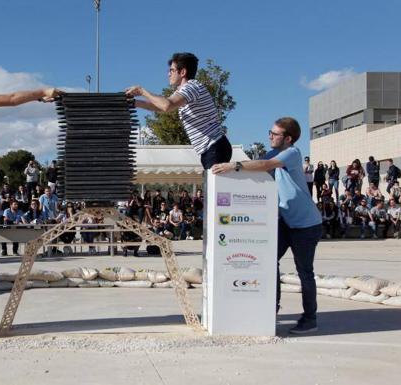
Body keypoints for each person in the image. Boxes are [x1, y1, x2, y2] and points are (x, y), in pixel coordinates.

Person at [211, 117, 322, 334]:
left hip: (306, 225)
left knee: (304, 272)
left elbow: (265, 165)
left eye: (275, 133)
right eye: (269, 132)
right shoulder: (275, 153)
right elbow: (259, 164)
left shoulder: (292, 153)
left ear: (288, 139)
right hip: (287, 223)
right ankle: (271, 309)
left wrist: (234, 165)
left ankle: (310, 319)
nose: (270, 136)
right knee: (269, 261)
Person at [126, 52, 232, 169]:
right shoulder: (185, 91)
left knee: (214, 187)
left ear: (182, 72)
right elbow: (162, 107)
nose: (168, 74)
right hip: (211, 148)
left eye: (171, 70)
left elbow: (167, 105)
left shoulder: (192, 87)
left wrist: (142, 91)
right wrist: (136, 103)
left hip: (214, 146)